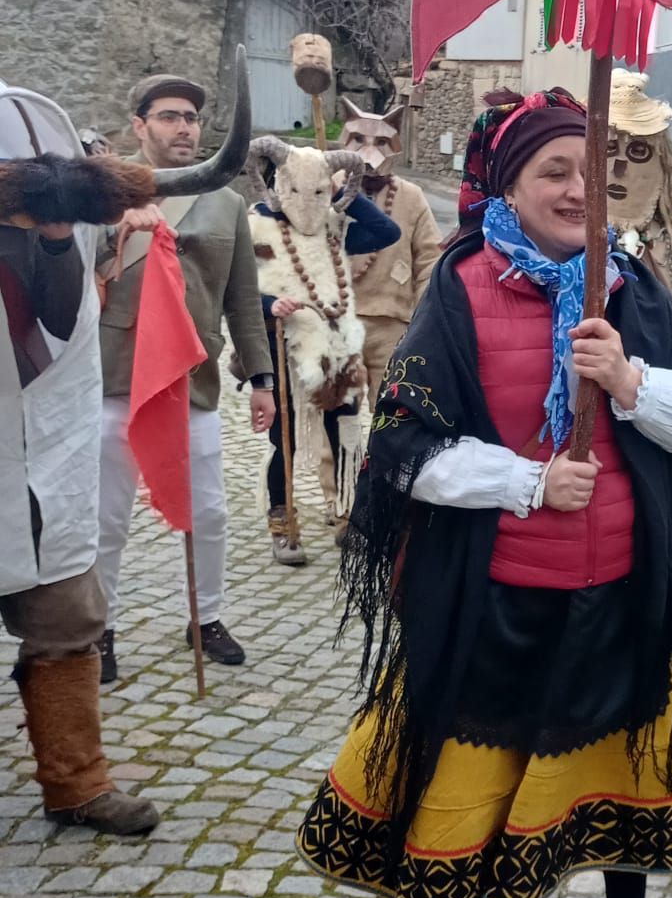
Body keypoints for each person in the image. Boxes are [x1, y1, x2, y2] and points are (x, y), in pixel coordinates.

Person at [298, 86, 672, 898]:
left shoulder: (637, 289)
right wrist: (528, 484)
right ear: (510, 183)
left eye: (593, 171)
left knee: (622, 775)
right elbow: (402, 452)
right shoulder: (462, 288)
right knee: (504, 782)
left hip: (622, 589)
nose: (582, 189)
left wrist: (630, 380)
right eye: (555, 171)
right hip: (505, 598)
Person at [0, 78, 159, 835]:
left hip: (41, 447)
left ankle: (76, 784)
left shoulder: (31, 115)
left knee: (69, 613)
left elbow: (63, 320)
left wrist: (56, 232)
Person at [96, 74, 275, 682]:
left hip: (191, 382)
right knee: (106, 517)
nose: (184, 128)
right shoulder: (102, 189)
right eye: (169, 116)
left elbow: (243, 301)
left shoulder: (225, 201)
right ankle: (98, 631)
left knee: (210, 513)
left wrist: (262, 378)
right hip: (114, 375)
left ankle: (208, 617)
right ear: (140, 124)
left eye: (192, 118)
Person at [461, 76, 672, 352]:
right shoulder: (559, 222)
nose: (620, 168)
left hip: (656, 376)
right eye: (608, 149)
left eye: (638, 151)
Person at [250, 137, 399, 563]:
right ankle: (283, 526)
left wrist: (337, 193)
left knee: (345, 434)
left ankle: (346, 514)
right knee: (287, 440)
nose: (306, 200)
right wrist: (268, 305)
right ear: (281, 183)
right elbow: (240, 286)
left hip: (336, 345)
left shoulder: (336, 226)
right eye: (299, 187)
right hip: (286, 345)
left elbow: (386, 232)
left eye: (315, 189)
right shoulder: (258, 223)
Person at [334, 97, 444, 409]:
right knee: (335, 417)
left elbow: (429, 260)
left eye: (381, 140)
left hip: (392, 323)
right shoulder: (327, 188)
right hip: (336, 322)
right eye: (359, 138)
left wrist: (424, 322)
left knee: (393, 414)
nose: (369, 149)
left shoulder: (411, 196)